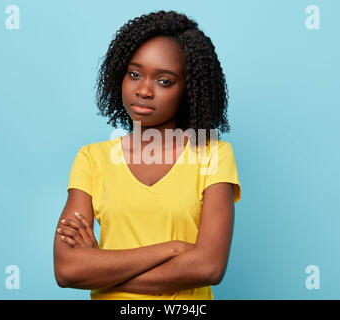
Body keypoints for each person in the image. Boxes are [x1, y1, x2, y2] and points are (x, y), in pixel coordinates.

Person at [53, 10, 241, 300]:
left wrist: (100, 267)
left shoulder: (213, 154)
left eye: (164, 81)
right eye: (135, 74)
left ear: (188, 91)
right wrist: (174, 249)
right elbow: (67, 269)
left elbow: (209, 267)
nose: (143, 90)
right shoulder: (92, 159)